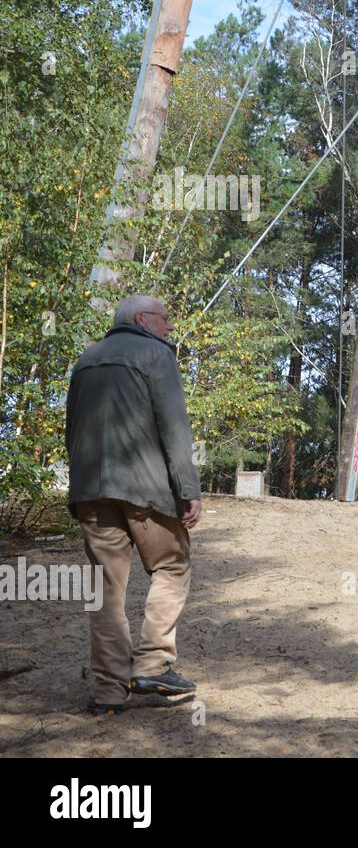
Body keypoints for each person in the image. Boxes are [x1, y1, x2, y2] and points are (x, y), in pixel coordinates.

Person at [65, 294, 202, 715]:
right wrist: (188, 489)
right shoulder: (156, 354)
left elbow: (70, 429)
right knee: (171, 566)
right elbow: (174, 428)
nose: (170, 327)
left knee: (104, 593)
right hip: (145, 491)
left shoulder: (86, 359)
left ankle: (108, 693)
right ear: (142, 319)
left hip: (91, 492)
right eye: (165, 318)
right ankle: (153, 663)